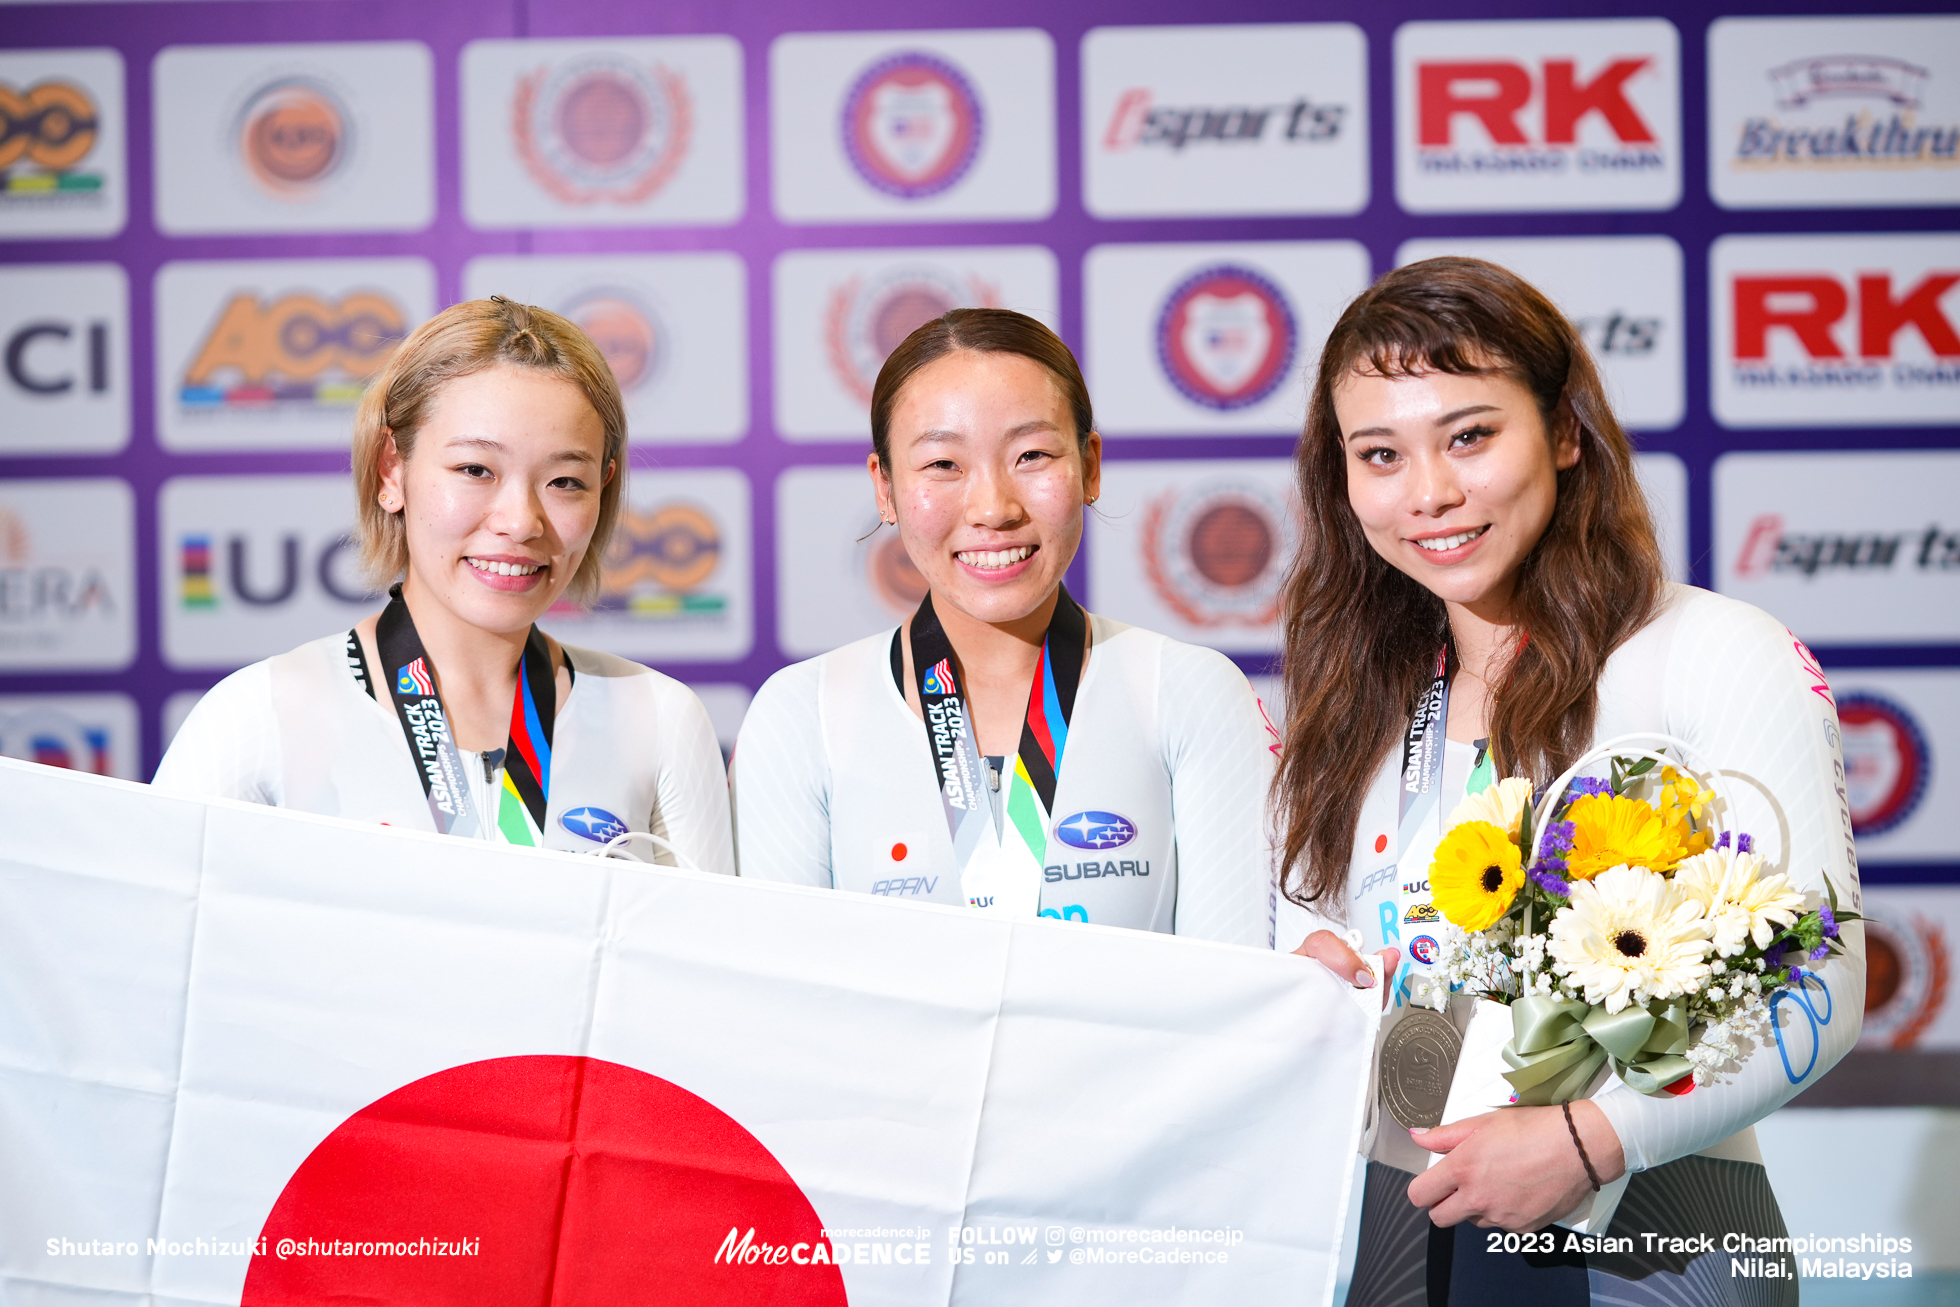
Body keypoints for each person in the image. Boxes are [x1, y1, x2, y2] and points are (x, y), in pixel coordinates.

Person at [1271, 259, 1861, 1304]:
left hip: (1652, 1237)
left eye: (1469, 435)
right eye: (1379, 453)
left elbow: (1815, 983)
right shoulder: (1351, 698)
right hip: (1387, 1239)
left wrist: (1591, 1138)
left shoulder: (1716, 652)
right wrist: (1295, 979)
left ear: (1564, 431)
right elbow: (1308, 943)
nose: (1429, 492)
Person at [732, 308, 1276, 945]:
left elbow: (1236, 998)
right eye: (942, 464)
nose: (993, 508)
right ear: (885, 487)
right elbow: (787, 1011)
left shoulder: (1190, 693)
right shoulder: (802, 715)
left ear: (1090, 466)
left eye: (1033, 455)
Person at [156, 297, 734, 875]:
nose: (521, 521)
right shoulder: (262, 713)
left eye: (564, 481)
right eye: (475, 470)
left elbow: (709, 959)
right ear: (391, 470)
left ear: (603, 489)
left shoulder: (657, 718)